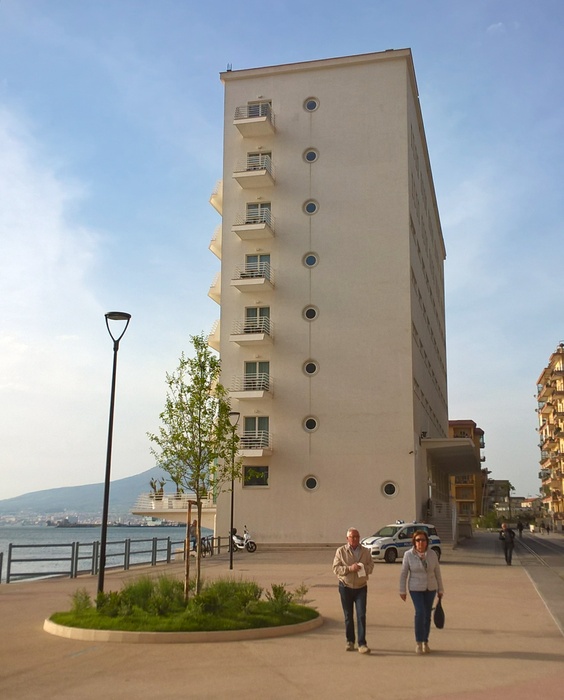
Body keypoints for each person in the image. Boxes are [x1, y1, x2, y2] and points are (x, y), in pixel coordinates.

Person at [399, 530, 444, 655]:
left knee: (427, 615)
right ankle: (418, 642)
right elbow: (403, 574)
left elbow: (437, 573)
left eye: (423, 540)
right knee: (420, 612)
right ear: (414, 542)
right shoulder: (408, 555)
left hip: (430, 588)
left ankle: (425, 641)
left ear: (426, 542)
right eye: (418, 540)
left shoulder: (432, 554)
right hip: (415, 588)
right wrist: (402, 590)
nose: (420, 542)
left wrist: (440, 589)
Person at [333, 527, 375, 654]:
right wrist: (349, 569)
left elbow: (371, 566)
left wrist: (363, 568)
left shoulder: (366, 551)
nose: (355, 539)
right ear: (347, 539)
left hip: (361, 587)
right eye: (352, 537)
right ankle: (350, 641)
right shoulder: (341, 551)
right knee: (348, 616)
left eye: (357, 536)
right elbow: (336, 568)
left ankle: (362, 643)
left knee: (361, 615)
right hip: (345, 587)